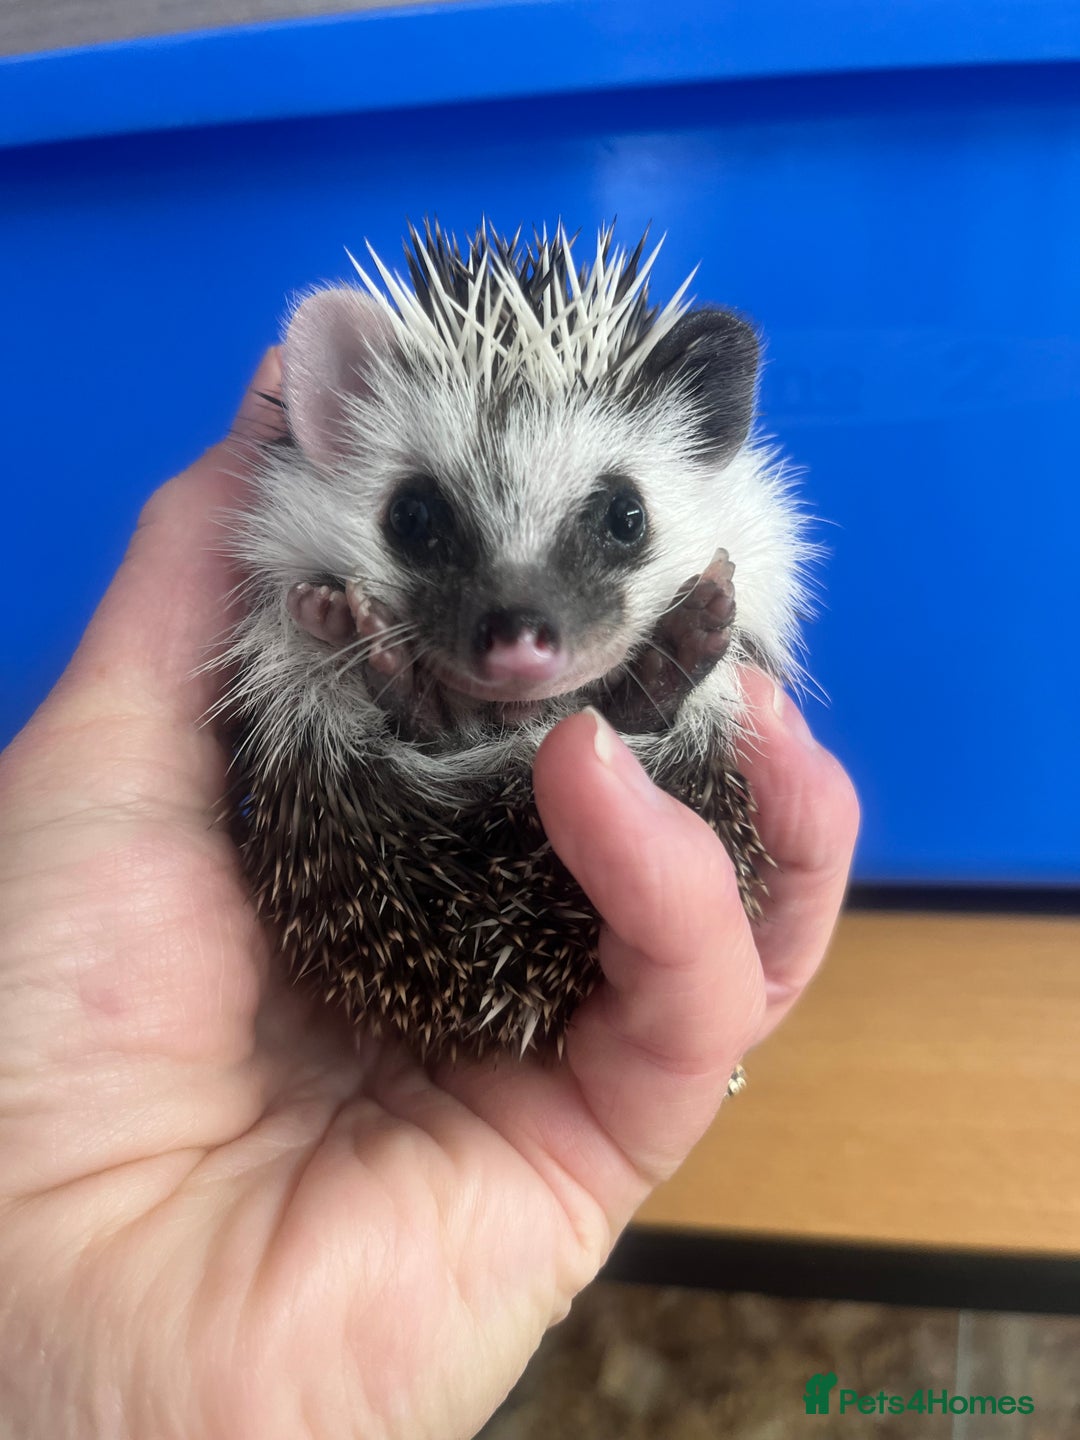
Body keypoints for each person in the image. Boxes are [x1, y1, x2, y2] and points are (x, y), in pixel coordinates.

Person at [0, 351, 859, 1440]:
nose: (519, 630)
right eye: (422, 522)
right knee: (336, 735)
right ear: (329, 429)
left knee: (663, 783)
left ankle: (491, 721)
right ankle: (513, 727)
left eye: (615, 523)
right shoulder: (303, 580)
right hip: (382, 844)